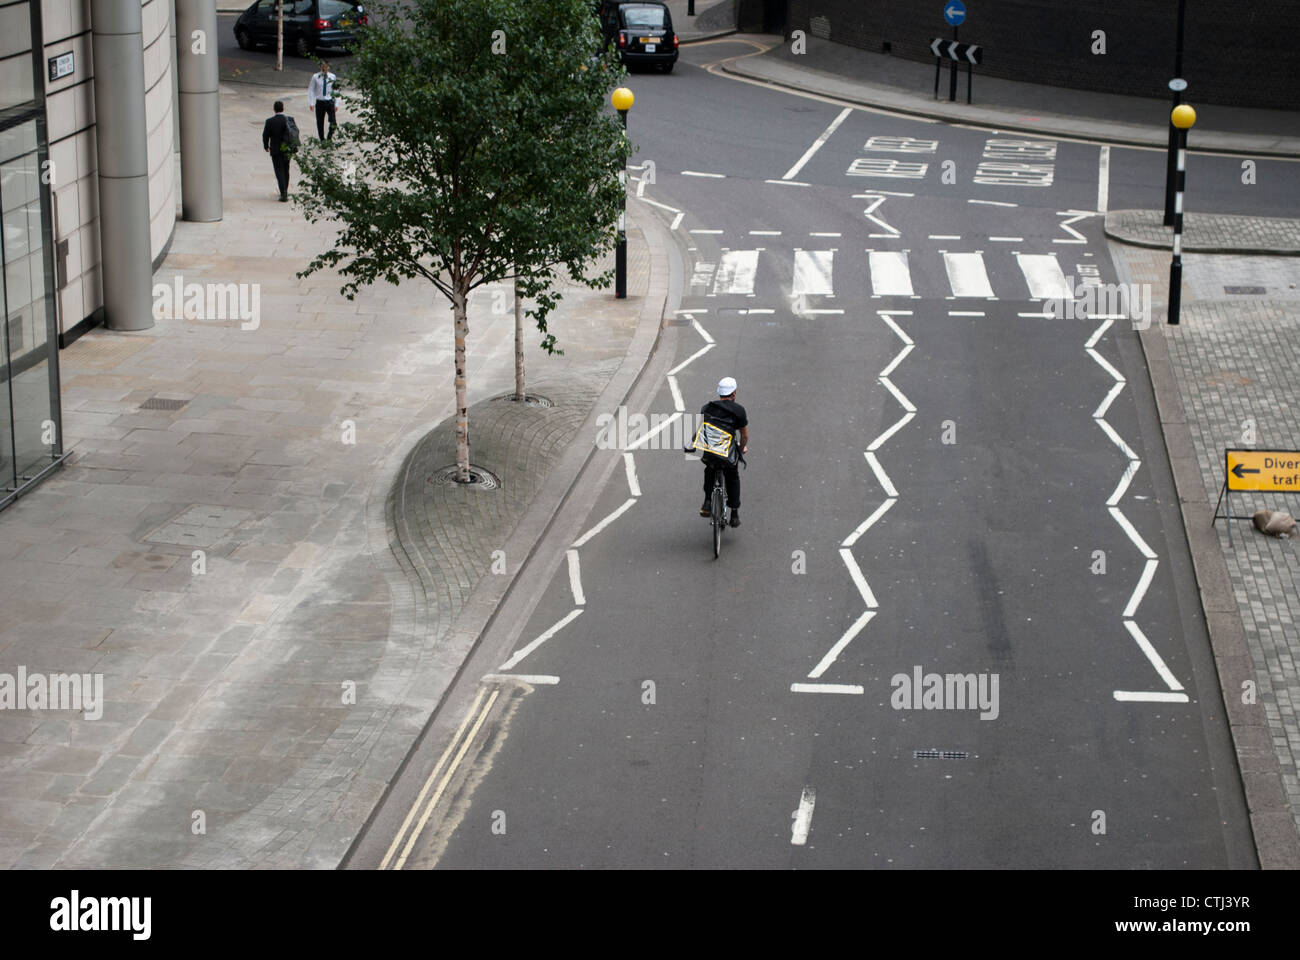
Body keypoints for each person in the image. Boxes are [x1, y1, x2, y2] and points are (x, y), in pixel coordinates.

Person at [699, 376, 748, 528]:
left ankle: (707, 501)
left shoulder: (707, 408)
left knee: (709, 469)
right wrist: (741, 449)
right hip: (727, 452)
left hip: (712, 451)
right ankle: (734, 514)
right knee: (733, 476)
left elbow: (706, 429)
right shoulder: (739, 410)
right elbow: (744, 436)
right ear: (734, 393)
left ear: (719, 393)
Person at [262, 100, 291, 201]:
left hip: (276, 149)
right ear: (283, 108)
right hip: (287, 148)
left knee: (279, 171)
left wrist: (266, 146)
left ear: (274, 109)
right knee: (286, 170)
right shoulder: (289, 120)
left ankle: (283, 193)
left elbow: (265, 135)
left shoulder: (270, 121)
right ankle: (285, 190)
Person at [307, 60, 338, 141]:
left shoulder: (332, 77)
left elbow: (336, 90)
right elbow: (311, 89)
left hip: (329, 101)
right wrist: (311, 102)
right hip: (320, 101)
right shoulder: (315, 77)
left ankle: (329, 137)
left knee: (333, 122)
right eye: (323, 66)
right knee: (320, 122)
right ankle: (322, 139)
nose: (325, 68)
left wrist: (336, 103)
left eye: (326, 66)